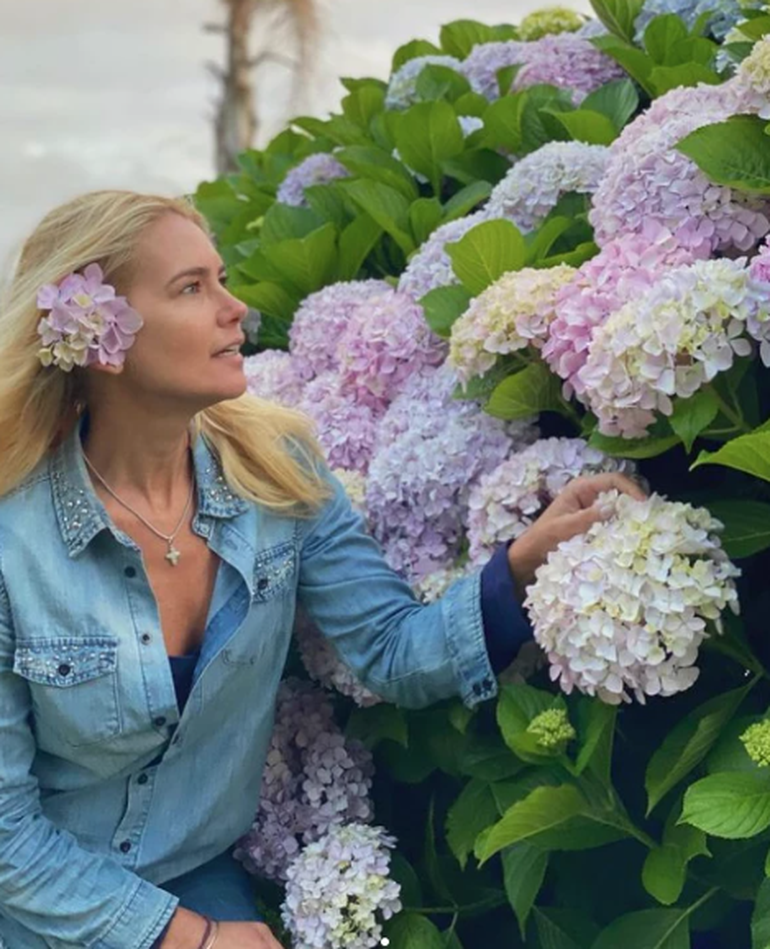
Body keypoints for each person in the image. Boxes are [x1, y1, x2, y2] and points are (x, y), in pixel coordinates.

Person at [0, 191, 645, 949]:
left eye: (223, 277)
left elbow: (393, 649)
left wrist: (525, 561)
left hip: (192, 876)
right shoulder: (16, 545)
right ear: (100, 337)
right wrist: (193, 939)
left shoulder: (276, 471)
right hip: (39, 904)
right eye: (190, 288)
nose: (235, 308)